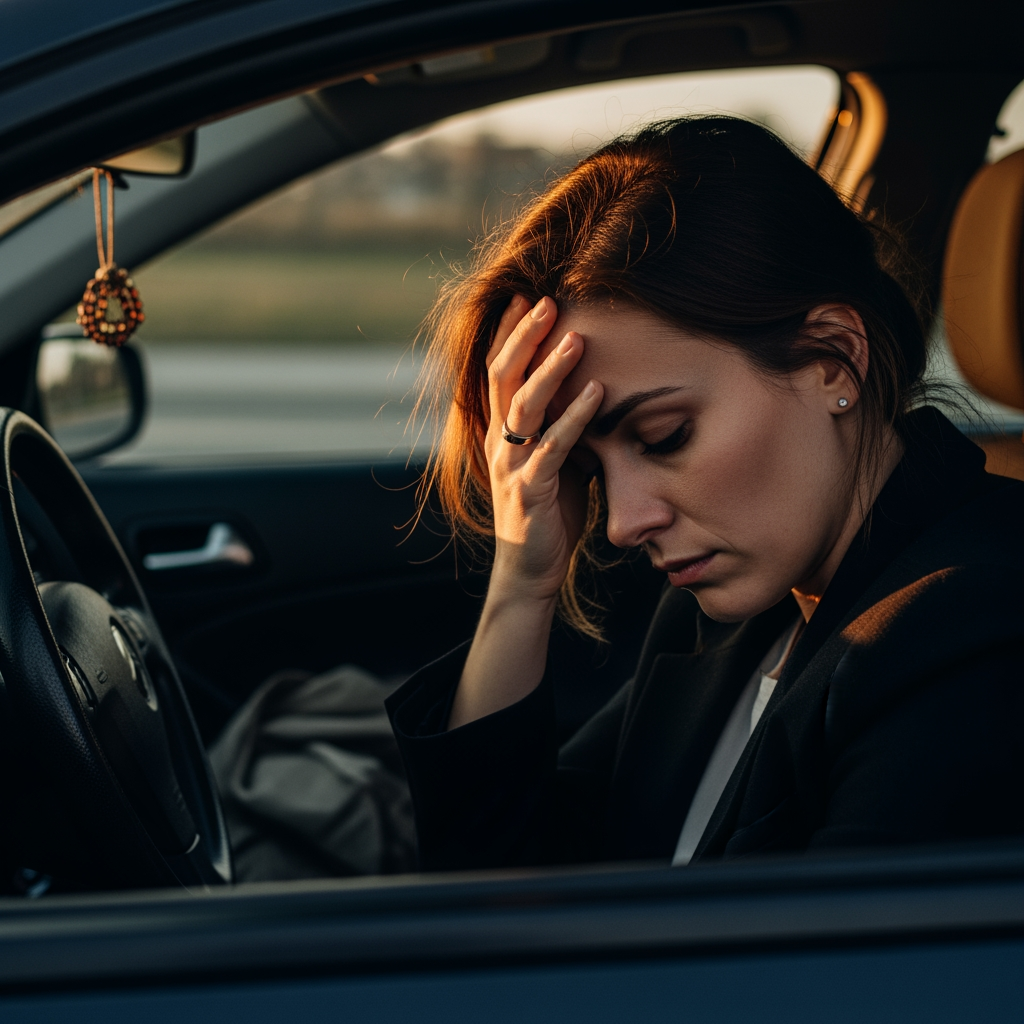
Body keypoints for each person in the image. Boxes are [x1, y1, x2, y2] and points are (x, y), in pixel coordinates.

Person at [385, 117, 1024, 871]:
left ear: (833, 359)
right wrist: (521, 583)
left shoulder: (972, 632)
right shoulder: (730, 621)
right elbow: (503, 884)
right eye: (587, 467)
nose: (623, 524)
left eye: (665, 437)